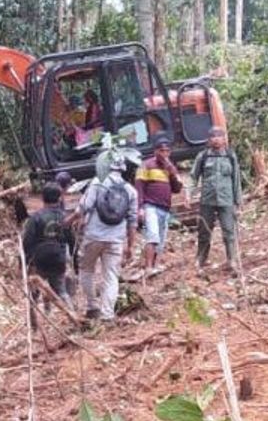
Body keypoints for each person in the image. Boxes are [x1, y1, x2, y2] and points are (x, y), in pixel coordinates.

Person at [70, 154, 138, 321]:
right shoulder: (131, 191)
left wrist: (69, 221)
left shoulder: (97, 183)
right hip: (115, 240)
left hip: (93, 236)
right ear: (122, 169)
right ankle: (107, 314)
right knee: (111, 276)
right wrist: (130, 246)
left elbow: (83, 208)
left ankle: (92, 306)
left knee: (86, 271)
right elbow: (133, 221)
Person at [192, 127, 242, 273]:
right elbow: (193, 176)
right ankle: (201, 259)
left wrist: (238, 202)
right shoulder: (203, 156)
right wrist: (189, 193)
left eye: (219, 136)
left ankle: (231, 260)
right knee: (204, 231)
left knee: (229, 231)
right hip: (207, 200)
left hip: (226, 200)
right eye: (213, 137)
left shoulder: (230, 156)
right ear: (209, 140)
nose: (216, 139)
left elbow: (236, 179)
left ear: (224, 139)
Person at [135, 135, 183, 275]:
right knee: (153, 236)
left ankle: (156, 265)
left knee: (161, 239)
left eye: (167, 151)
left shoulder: (169, 167)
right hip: (150, 206)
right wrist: (140, 208)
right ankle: (148, 267)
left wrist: (172, 171)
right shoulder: (146, 165)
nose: (165, 154)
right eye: (162, 151)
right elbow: (139, 187)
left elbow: (177, 188)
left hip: (165, 207)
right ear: (155, 151)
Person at [22, 183, 75, 307]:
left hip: (39, 259)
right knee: (61, 291)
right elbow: (71, 239)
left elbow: (27, 240)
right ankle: (73, 318)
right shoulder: (64, 217)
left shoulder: (35, 218)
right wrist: (72, 260)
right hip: (58, 259)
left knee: (33, 294)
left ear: (42, 197)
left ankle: (33, 324)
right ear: (60, 198)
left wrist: (27, 260)